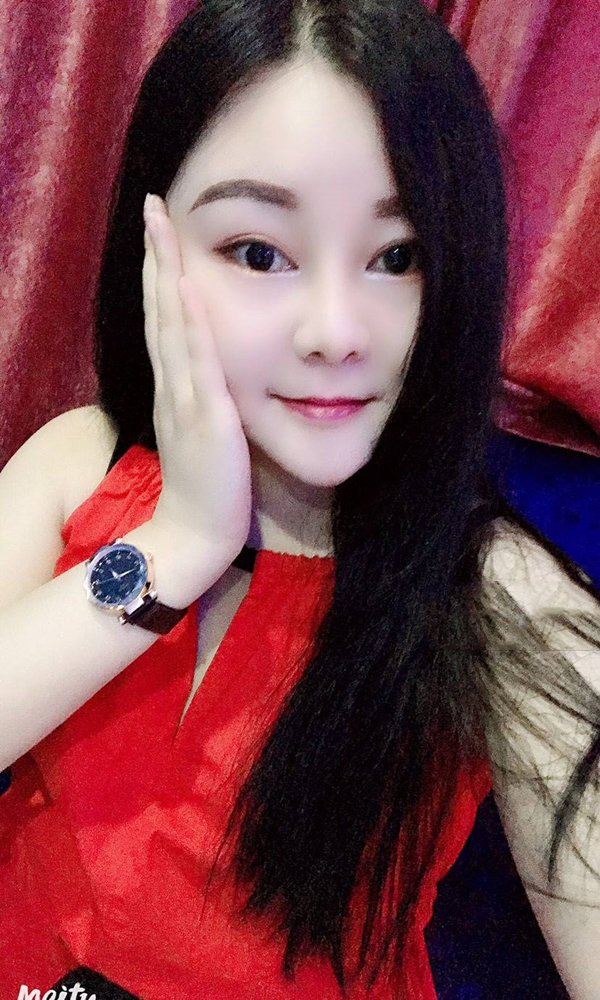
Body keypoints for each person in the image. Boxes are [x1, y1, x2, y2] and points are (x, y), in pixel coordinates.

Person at [1, 0, 600, 997]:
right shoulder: (80, 463)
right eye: (259, 252)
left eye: (397, 257)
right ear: (154, 245)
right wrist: (179, 541)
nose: (335, 332)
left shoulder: (502, 599)